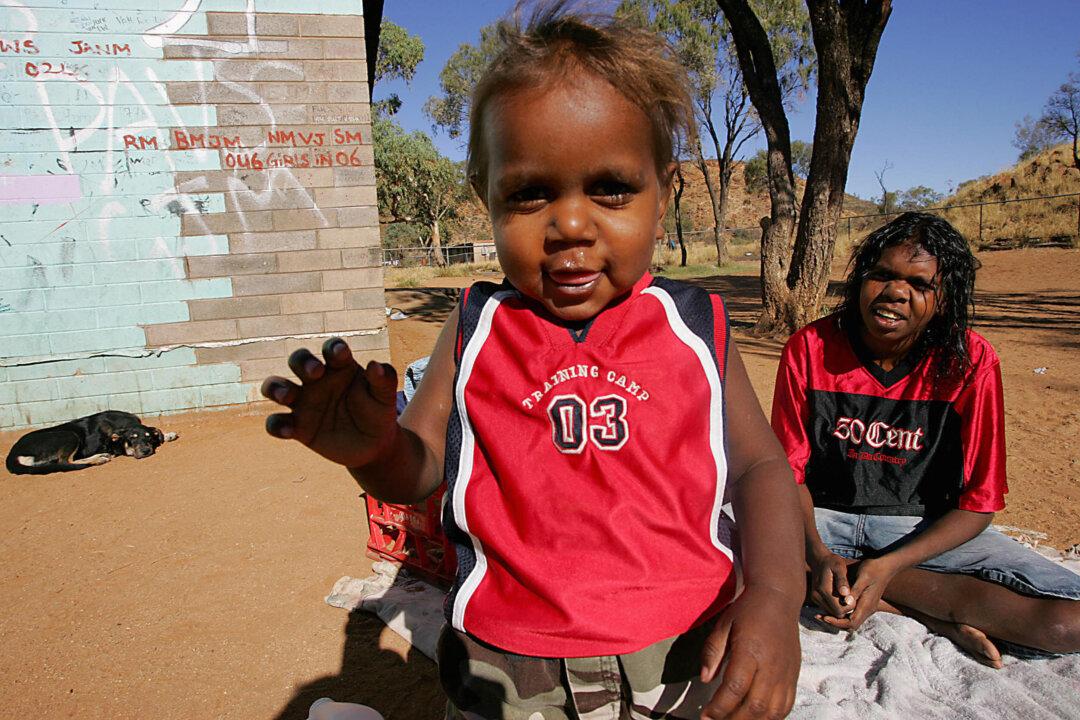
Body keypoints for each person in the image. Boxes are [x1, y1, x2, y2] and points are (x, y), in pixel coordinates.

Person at [262, 5, 805, 718]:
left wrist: (772, 595)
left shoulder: (695, 323)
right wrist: (374, 450)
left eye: (611, 187)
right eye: (529, 194)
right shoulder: (476, 324)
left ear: (664, 191)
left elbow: (762, 466)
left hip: (682, 651)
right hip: (507, 666)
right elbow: (422, 465)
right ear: (485, 197)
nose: (571, 225)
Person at [771, 211, 1080, 668]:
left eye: (920, 284)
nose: (896, 292)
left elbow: (978, 505)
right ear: (860, 280)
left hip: (919, 530)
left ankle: (875, 587)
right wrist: (817, 553)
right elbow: (785, 473)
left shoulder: (970, 362)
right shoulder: (810, 347)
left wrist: (887, 566)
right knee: (704, 554)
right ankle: (926, 612)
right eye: (882, 275)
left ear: (945, 298)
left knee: (1067, 624)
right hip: (817, 522)